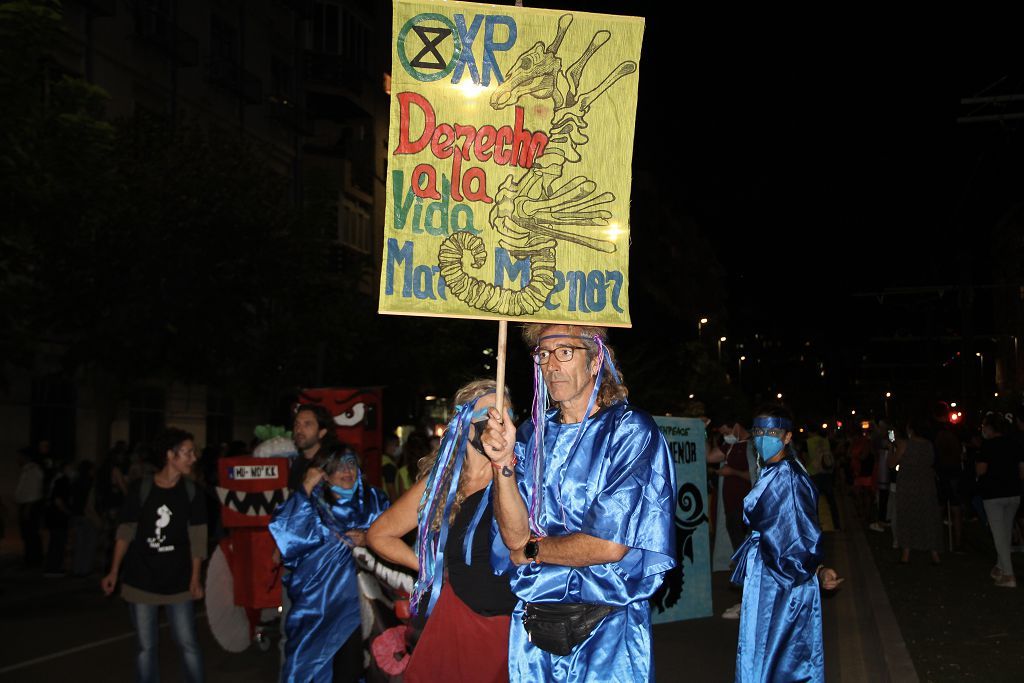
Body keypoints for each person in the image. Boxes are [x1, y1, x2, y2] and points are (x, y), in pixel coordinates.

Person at [483, 324, 676, 682]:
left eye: (565, 352)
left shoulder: (629, 431)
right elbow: (512, 537)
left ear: (595, 361)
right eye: (543, 354)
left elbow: (608, 544)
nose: (551, 365)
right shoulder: (529, 435)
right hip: (535, 630)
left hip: (607, 632)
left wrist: (532, 551)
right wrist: (502, 463)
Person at [368, 380, 518, 682]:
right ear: (465, 424)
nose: (501, 423)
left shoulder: (520, 476)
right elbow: (380, 535)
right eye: (490, 414)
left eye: (508, 413)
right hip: (458, 619)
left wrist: (505, 468)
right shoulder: (442, 484)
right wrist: (430, 568)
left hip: (513, 629)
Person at [730, 405, 841, 683]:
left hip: (781, 580)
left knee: (780, 658)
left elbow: (800, 532)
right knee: (765, 653)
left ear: (788, 437)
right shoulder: (774, 471)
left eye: (772, 432)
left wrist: (816, 568)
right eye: (759, 431)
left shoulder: (788, 476)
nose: (764, 437)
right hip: (768, 570)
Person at [269, 448, 389, 682]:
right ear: (324, 473)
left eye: (351, 464)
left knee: (352, 670)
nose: (346, 471)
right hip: (317, 608)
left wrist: (368, 540)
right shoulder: (311, 503)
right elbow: (287, 536)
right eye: (338, 466)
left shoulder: (375, 501)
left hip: (360, 607)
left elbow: (398, 537)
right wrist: (305, 487)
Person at [100, 428, 207, 683]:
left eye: (193, 453)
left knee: (188, 644)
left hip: (179, 581)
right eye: (188, 453)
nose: (193, 458)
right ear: (170, 455)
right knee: (146, 647)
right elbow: (126, 531)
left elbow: (198, 539)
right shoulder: (141, 488)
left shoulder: (193, 492)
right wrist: (114, 571)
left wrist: (195, 578)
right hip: (141, 579)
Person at [976, 412, 1024, 588]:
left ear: (989, 427)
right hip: (1013, 493)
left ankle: (1009, 575)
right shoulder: (1015, 444)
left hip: (994, 494)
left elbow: (981, 470)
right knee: (1005, 530)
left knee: (999, 534)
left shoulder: (987, 446)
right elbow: (1022, 471)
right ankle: (999, 567)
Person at [892, 416, 943, 565]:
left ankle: (906, 553)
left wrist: (891, 449)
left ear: (911, 429)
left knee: (907, 516)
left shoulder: (904, 444)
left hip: (908, 484)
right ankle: (934, 553)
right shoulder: (929, 445)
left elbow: (892, 463)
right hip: (926, 484)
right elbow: (932, 462)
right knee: (929, 516)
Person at [15, 447, 45, 568]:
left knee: (30, 534)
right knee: (28, 534)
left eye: (20, 456)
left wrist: (28, 507)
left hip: (30, 506)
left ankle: (33, 560)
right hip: (27, 505)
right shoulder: (27, 470)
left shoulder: (33, 470)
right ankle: (31, 558)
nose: (18, 459)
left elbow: (33, 492)